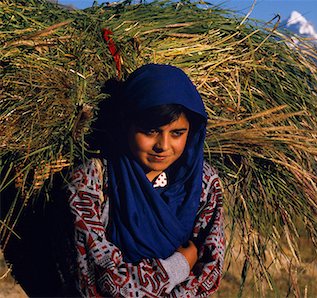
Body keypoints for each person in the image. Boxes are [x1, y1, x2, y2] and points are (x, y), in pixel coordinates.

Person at [66, 64, 225, 297]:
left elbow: (209, 271)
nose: (163, 145)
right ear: (126, 125)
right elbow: (103, 281)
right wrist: (178, 266)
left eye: (177, 133)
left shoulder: (204, 184)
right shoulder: (91, 182)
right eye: (150, 131)